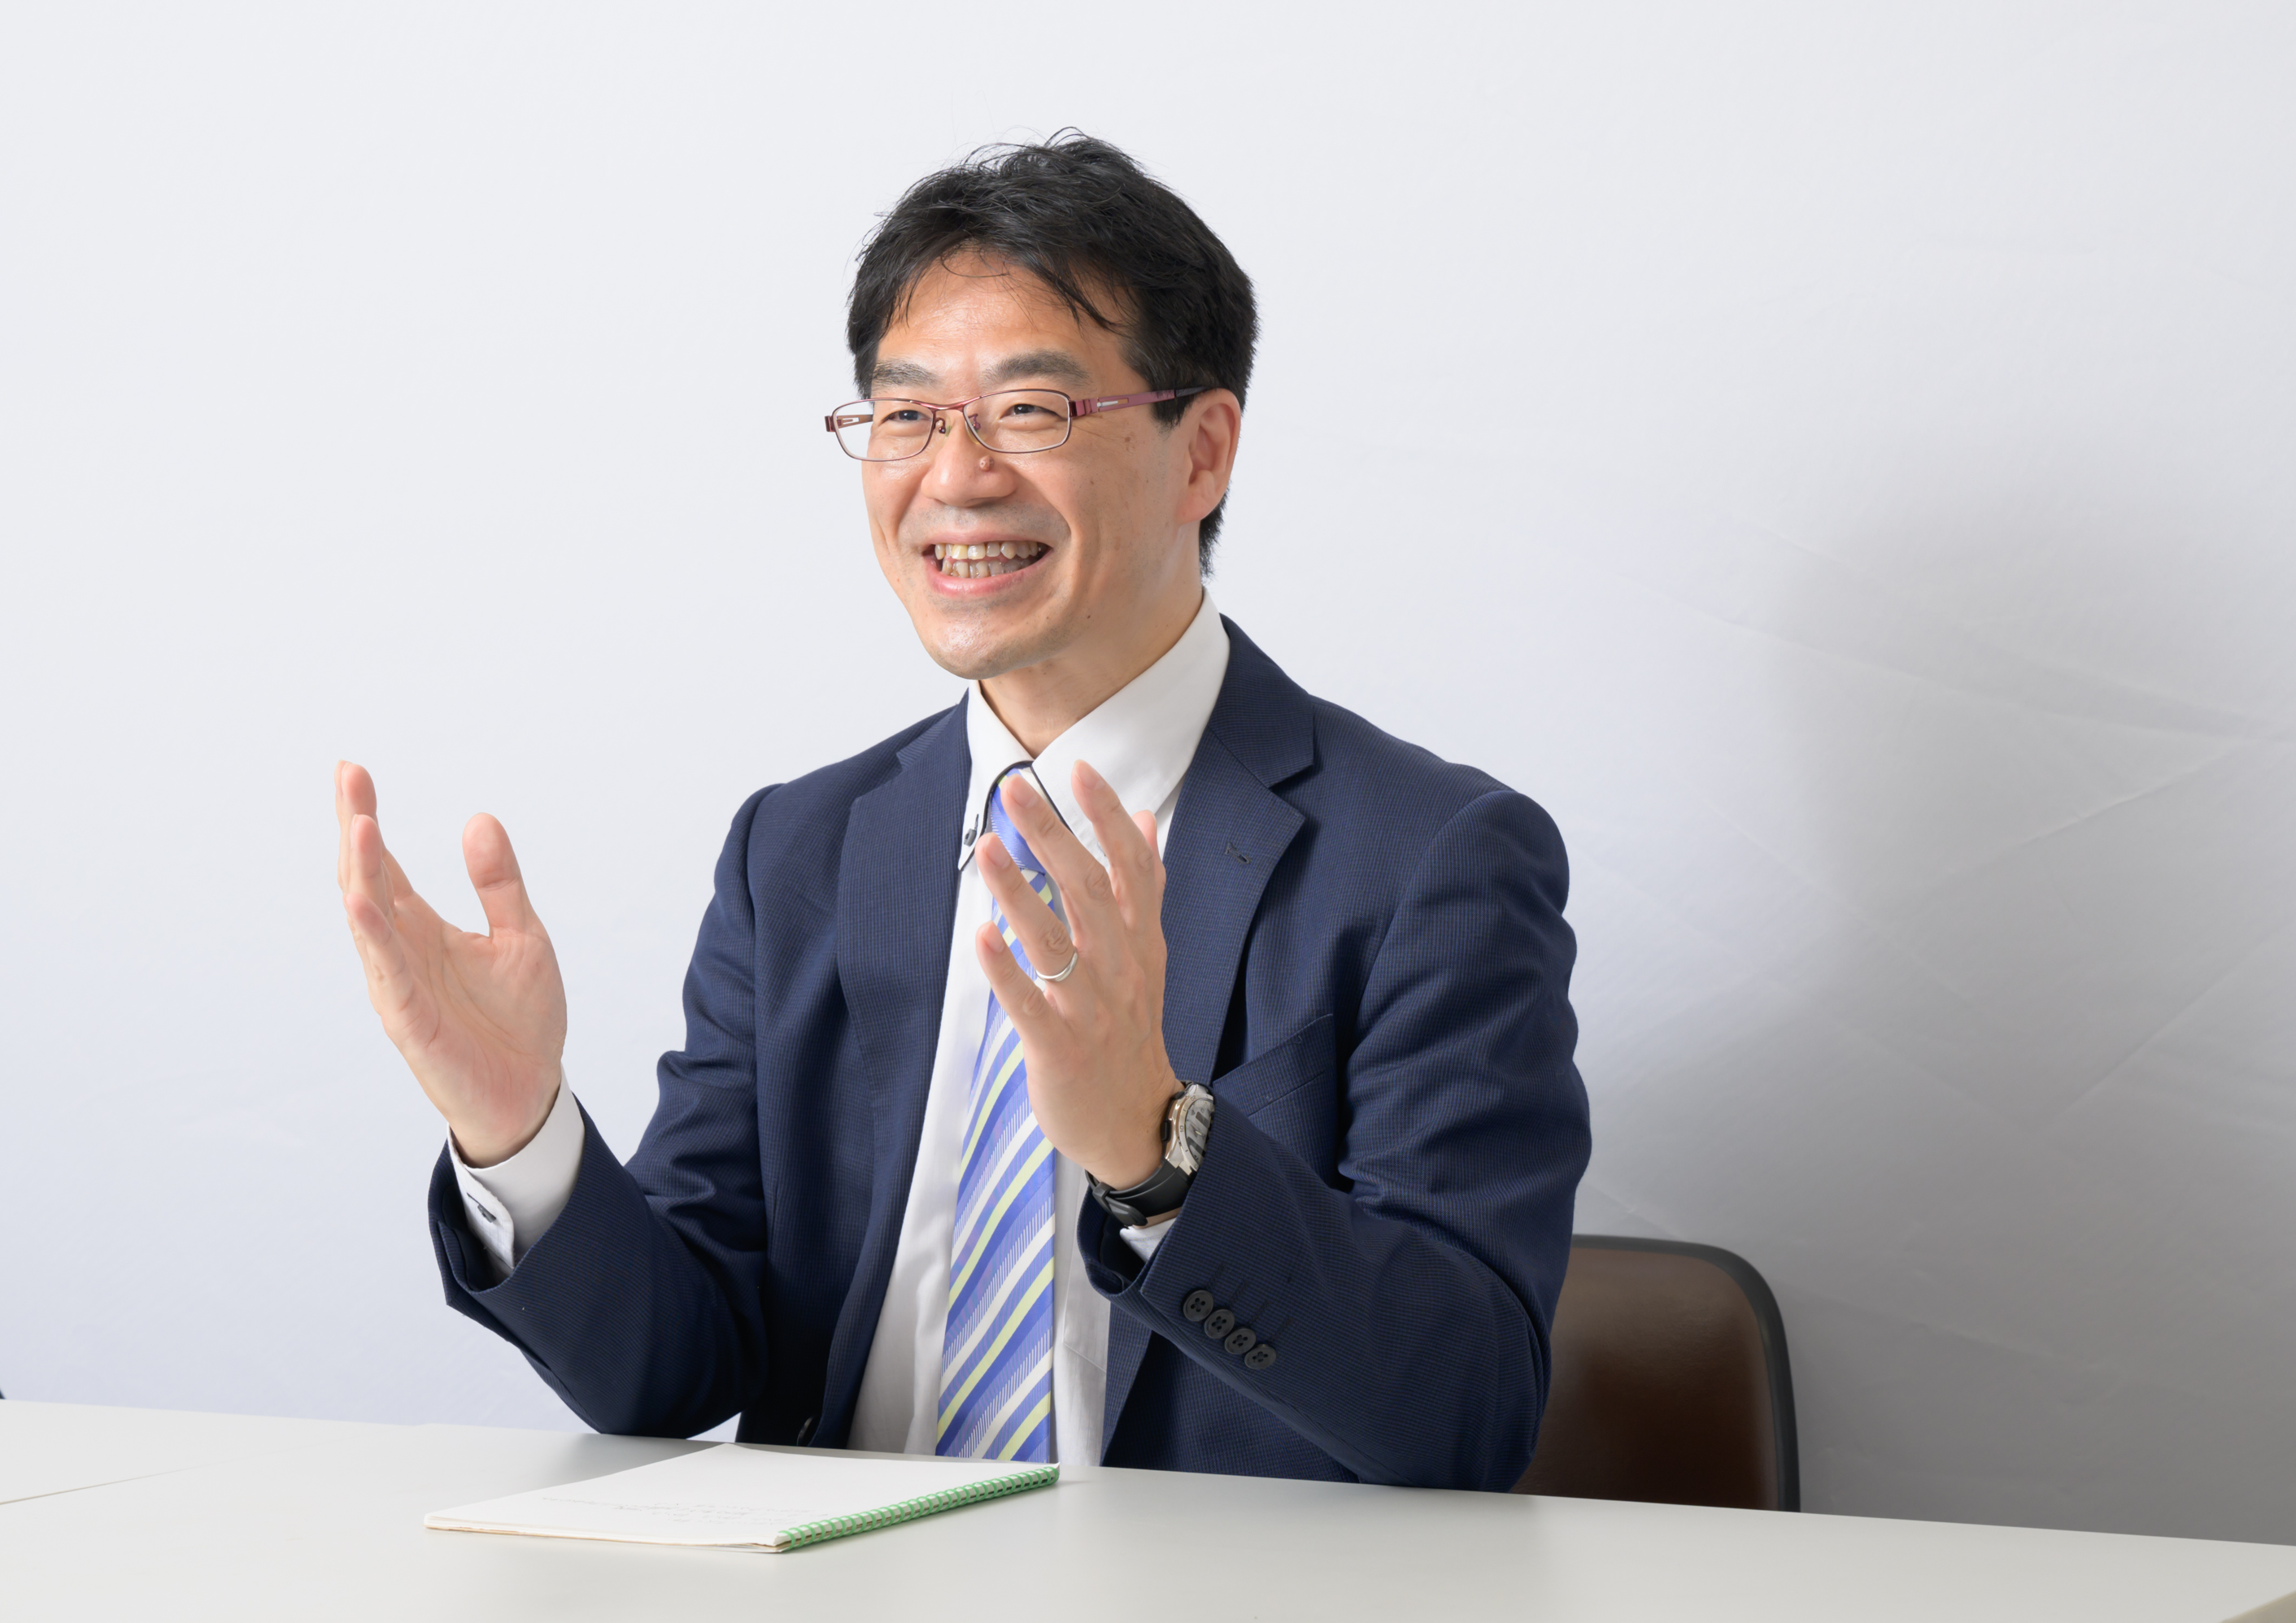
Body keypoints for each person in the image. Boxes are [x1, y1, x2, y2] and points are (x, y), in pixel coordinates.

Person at [333, 133, 1588, 1490]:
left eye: (1031, 410)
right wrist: (522, 1137)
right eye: (908, 416)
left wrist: (1157, 1155)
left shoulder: (1427, 862)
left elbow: (1465, 1416)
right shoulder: (799, 853)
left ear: (1203, 453)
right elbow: (672, 1373)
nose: (956, 474)